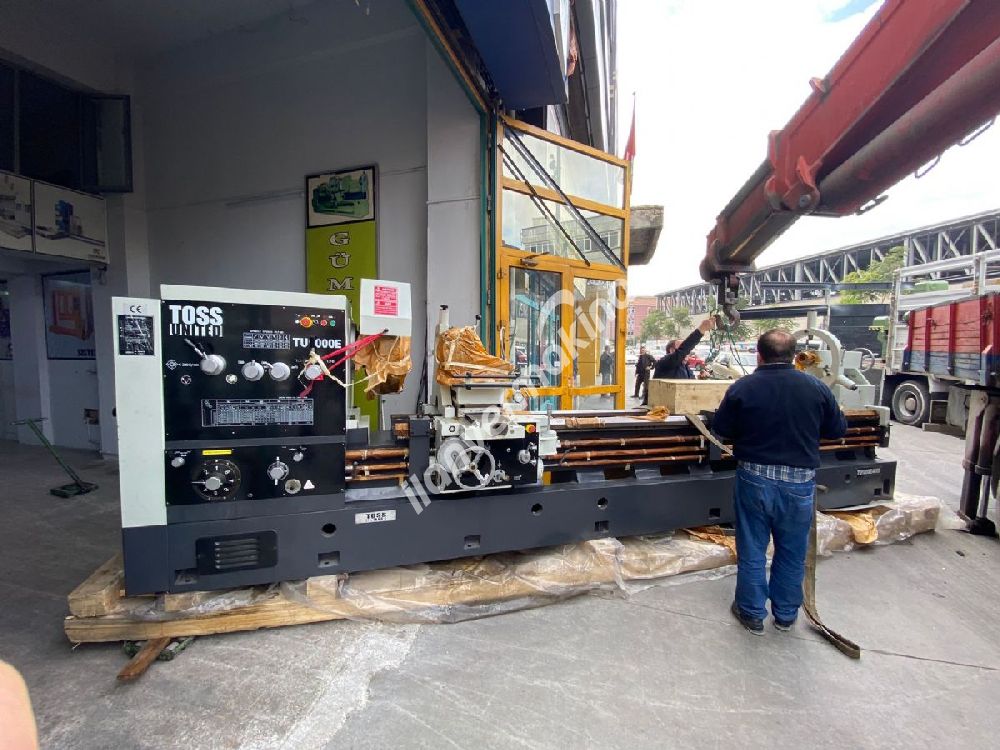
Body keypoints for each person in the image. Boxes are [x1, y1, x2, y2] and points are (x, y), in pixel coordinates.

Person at [712, 329, 847, 636]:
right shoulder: (816, 388)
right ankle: (785, 616)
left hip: (754, 480)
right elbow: (837, 429)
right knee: (791, 551)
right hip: (799, 485)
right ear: (794, 355)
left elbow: (721, 428)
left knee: (752, 548)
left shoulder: (743, 387)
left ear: (759, 355)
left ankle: (751, 613)